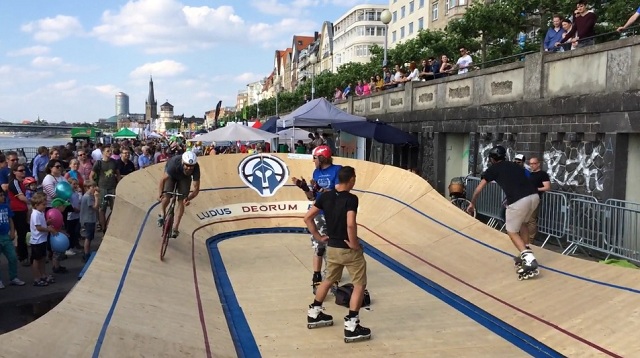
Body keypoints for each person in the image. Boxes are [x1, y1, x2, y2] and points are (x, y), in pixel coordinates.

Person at [303, 166, 371, 342]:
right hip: (348, 248)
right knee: (359, 285)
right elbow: (350, 224)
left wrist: (318, 236)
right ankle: (352, 325)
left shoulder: (325, 196)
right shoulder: (351, 199)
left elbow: (307, 218)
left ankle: (314, 312)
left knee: (328, 280)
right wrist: (354, 243)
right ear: (352, 180)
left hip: (332, 246)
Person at [466, 146, 540, 278]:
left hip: (518, 200)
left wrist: (472, 203)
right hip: (534, 197)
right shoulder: (514, 165)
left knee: (511, 231)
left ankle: (529, 260)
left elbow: (479, 188)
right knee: (523, 223)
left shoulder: (493, 169)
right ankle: (525, 250)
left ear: (492, 159)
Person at [292, 145, 342, 293]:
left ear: (321, 158)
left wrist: (320, 189)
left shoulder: (337, 170)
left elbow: (338, 191)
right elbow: (313, 197)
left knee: (332, 248)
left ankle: (332, 277)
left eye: (314, 158)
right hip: (319, 211)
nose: (313, 161)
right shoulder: (316, 172)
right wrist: (305, 188)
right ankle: (316, 275)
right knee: (319, 246)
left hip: (333, 212)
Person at [158, 151, 200, 238]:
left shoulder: (196, 168)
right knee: (167, 196)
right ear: (182, 162)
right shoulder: (174, 164)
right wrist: (160, 194)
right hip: (172, 175)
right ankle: (162, 213)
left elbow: (196, 190)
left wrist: (187, 199)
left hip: (185, 178)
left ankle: (175, 228)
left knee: (182, 201)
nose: (189, 168)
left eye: (191, 167)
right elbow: (162, 180)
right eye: (187, 165)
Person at [90, 146, 120, 233]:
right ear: (103, 153)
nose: (110, 152)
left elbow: (118, 174)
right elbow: (91, 176)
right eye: (107, 151)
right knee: (102, 209)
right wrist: (95, 186)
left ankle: (110, 226)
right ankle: (103, 228)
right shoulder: (98, 163)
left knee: (114, 208)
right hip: (102, 188)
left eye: (110, 151)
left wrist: (118, 184)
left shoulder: (114, 162)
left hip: (112, 188)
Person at [0, 190, 26, 288]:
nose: (3, 197)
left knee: (13, 257)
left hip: (6, 236)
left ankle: (13, 277)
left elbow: (10, 220)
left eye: (3, 195)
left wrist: (12, 231)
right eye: (0, 195)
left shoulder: (6, 207)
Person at [29, 192, 56, 287]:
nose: (45, 206)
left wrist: (47, 222)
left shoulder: (40, 212)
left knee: (43, 259)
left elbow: (42, 224)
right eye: (43, 205)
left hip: (42, 240)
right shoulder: (35, 214)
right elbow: (38, 227)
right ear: (36, 205)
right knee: (37, 260)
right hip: (37, 241)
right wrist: (48, 229)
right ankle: (37, 278)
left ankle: (43, 275)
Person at [7, 163, 30, 266]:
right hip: (17, 211)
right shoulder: (14, 183)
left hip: (23, 210)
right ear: (14, 172)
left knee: (24, 233)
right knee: (21, 234)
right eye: (20, 171)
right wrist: (33, 202)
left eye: (24, 170)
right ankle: (22, 256)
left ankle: (23, 254)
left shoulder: (21, 183)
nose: (23, 172)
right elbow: (21, 197)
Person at [526, 157, 551, 245]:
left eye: (534, 163)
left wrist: (536, 189)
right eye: (530, 164)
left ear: (538, 164)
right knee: (525, 219)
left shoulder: (542, 174)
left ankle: (530, 240)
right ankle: (525, 238)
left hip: (535, 198)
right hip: (526, 198)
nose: (532, 165)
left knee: (531, 219)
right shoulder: (530, 174)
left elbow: (547, 187)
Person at [80, 181, 99, 262]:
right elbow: (95, 207)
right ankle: (86, 254)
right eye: (92, 187)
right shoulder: (88, 197)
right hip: (88, 220)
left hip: (89, 219)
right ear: (87, 188)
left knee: (90, 237)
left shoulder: (88, 196)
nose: (94, 188)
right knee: (88, 238)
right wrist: (97, 198)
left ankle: (87, 252)